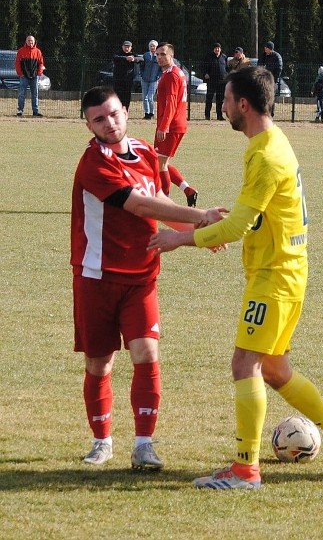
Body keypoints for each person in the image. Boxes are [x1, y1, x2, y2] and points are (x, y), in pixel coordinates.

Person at [148, 65, 323, 490]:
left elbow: (238, 228)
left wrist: (180, 237)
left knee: (244, 363)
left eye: (227, 100)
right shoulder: (270, 142)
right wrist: (219, 226)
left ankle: (246, 469)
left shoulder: (265, 154)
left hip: (275, 276)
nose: (223, 105)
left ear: (243, 105)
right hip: (284, 271)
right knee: (275, 369)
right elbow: (252, 216)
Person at [71, 86, 219, 469]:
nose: (110, 123)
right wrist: (200, 214)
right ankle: (102, 441)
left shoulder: (147, 153)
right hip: (97, 276)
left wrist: (200, 234)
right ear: (88, 125)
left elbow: (161, 206)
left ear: (126, 111)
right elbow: (136, 204)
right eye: (99, 119)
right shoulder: (94, 162)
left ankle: (143, 444)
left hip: (142, 277)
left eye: (114, 113)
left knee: (146, 354)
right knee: (100, 364)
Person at [155, 43, 199, 207]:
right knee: (160, 162)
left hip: (171, 126)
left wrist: (164, 126)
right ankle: (188, 191)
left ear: (171, 56)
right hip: (172, 124)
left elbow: (171, 103)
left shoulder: (172, 75)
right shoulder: (173, 73)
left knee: (160, 163)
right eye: (158, 55)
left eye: (163, 54)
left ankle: (164, 202)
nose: (159, 57)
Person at [15, 35, 45, 117]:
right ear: (26, 41)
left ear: (34, 42)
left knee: (35, 94)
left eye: (32, 40)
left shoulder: (38, 52)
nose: (30, 42)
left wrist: (39, 72)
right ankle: (20, 111)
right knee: (22, 94)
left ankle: (35, 111)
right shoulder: (21, 51)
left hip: (34, 76)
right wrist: (20, 73)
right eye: (29, 40)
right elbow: (17, 63)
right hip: (24, 76)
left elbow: (41, 63)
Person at [112, 40, 141, 111]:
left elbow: (141, 59)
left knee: (127, 97)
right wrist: (126, 58)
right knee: (117, 96)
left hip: (128, 80)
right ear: (122, 47)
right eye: (125, 46)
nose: (126, 48)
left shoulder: (133, 54)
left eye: (128, 47)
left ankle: (125, 111)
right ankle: (117, 111)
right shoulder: (118, 53)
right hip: (118, 80)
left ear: (131, 48)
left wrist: (134, 59)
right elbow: (115, 58)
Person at [202, 42, 228, 120]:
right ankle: (207, 115)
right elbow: (202, 67)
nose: (217, 49)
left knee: (220, 100)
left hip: (221, 82)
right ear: (213, 49)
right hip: (211, 81)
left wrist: (227, 76)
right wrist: (205, 73)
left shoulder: (224, 57)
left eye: (218, 48)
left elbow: (227, 69)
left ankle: (219, 116)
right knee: (209, 98)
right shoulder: (208, 57)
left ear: (220, 49)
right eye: (216, 48)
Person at [257, 41, 283, 117]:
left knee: (270, 96)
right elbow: (259, 66)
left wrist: (274, 79)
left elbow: (279, 68)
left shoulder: (277, 57)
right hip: (263, 80)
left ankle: (271, 113)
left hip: (272, 80)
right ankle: (263, 112)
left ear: (270, 48)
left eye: (266, 47)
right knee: (262, 96)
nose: (265, 49)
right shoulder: (263, 56)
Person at [141, 40, 161, 120]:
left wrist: (158, 76)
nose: (152, 47)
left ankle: (152, 113)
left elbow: (161, 68)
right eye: (151, 46)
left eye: (154, 46)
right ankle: (146, 113)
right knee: (144, 98)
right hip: (145, 79)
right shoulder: (145, 55)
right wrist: (142, 75)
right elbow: (142, 66)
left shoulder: (158, 56)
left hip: (154, 80)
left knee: (150, 97)